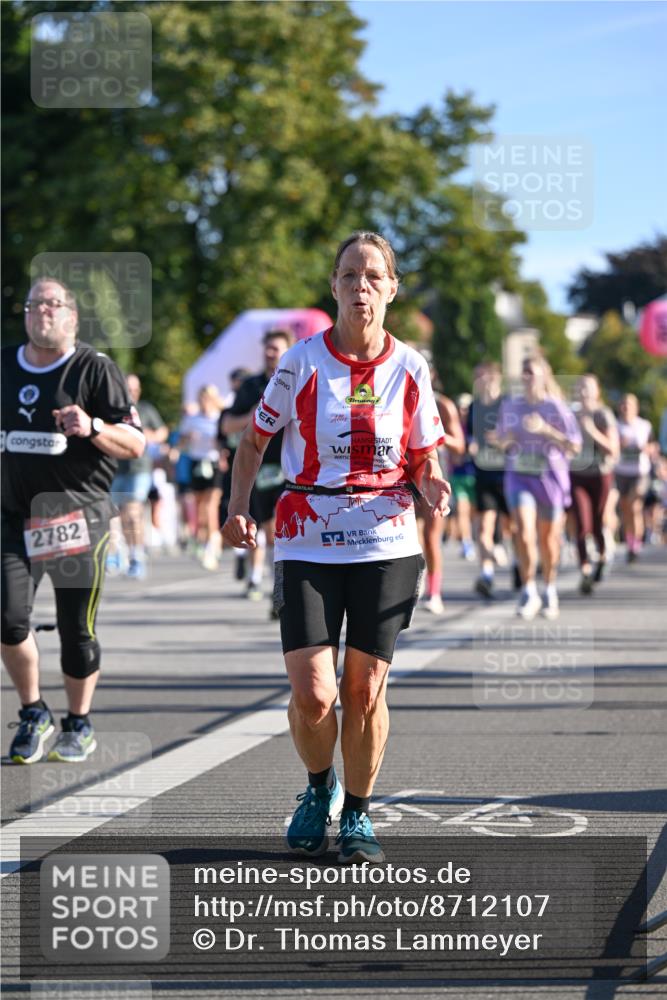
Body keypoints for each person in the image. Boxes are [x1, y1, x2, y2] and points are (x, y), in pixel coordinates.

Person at [223, 232, 450, 863]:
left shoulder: (410, 367)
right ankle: (317, 787)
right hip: (308, 535)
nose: (361, 287)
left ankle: (357, 813)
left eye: (374, 276)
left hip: (386, 535)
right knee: (315, 693)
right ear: (334, 285)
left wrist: (434, 485)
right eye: (349, 275)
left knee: (364, 688)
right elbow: (252, 444)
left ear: (392, 288)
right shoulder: (300, 361)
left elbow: (425, 456)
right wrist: (237, 508)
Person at [1, 277, 144, 763]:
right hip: (13, 518)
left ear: (72, 318)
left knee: (74, 630)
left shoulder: (95, 368)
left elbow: (137, 443)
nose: (43, 310)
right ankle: (33, 710)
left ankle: (78, 722)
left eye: (53, 303)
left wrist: (93, 426)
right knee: (8, 618)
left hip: (75, 520)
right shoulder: (4, 364)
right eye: (34, 303)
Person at [496, 355, 581, 620]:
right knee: (523, 530)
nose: (526, 377)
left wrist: (546, 430)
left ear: (544, 376)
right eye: (524, 372)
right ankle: (528, 589)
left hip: (551, 479)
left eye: (531, 372)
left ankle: (550, 588)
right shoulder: (511, 405)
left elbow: (575, 446)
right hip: (519, 476)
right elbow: (500, 440)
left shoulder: (556, 407)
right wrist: (506, 439)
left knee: (548, 540)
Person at [220, 330, 293, 603]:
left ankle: (278, 584)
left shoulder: (298, 381)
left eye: (276, 349)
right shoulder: (250, 386)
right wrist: (256, 417)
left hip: (289, 466)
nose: (270, 353)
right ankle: (254, 577)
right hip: (257, 465)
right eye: (268, 349)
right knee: (256, 525)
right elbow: (227, 424)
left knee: (277, 526)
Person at [411, 348, 464, 615]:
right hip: (407, 477)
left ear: (431, 373)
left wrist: (433, 436)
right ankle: (414, 586)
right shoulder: (400, 398)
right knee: (411, 538)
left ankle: (434, 592)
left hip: (434, 478)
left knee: (431, 537)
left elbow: (460, 446)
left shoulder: (443, 405)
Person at [108, 374, 167, 579]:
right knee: (116, 515)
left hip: (139, 468)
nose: (132, 392)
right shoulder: (112, 409)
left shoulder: (146, 409)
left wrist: (149, 435)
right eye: (128, 388)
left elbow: (162, 431)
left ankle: (137, 556)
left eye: (135, 388)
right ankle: (118, 553)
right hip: (116, 468)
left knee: (133, 512)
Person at [468, 362, 514, 599]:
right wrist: (472, 444)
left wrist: (501, 440)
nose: (483, 382)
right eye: (480, 379)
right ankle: (486, 575)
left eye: (488, 378)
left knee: (514, 527)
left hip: (508, 475)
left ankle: (517, 563)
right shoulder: (475, 407)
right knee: (484, 528)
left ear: (497, 379)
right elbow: (470, 433)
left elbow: (517, 437)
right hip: (483, 474)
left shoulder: (508, 404)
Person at [570, 374, 619, 592]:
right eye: (579, 387)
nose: (583, 392)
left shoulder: (602, 414)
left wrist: (591, 431)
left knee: (598, 523)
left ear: (596, 391)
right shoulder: (571, 414)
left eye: (587, 388)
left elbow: (613, 450)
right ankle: (585, 571)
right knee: (582, 523)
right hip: (577, 474)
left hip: (600, 474)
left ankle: (602, 557)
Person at [178, 385, 224, 570]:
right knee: (198, 506)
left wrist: (220, 447)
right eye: (201, 398)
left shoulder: (218, 418)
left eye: (207, 398)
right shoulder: (192, 419)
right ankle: (203, 539)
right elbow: (180, 442)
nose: (204, 402)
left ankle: (212, 544)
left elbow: (225, 440)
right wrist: (188, 438)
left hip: (213, 463)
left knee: (210, 504)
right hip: (197, 462)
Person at [615, 394, 653, 562]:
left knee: (635, 505)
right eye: (623, 403)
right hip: (621, 472)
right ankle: (631, 543)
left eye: (629, 404)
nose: (626, 407)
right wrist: (619, 444)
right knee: (626, 510)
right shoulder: (615, 425)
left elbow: (654, 446)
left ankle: (636, 544)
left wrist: (646, 448)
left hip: (640, 473)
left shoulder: (644, 425)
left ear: (636, 407)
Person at [449, 393, 477, 562]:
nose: (462, 411)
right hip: (458, 474)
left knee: (473, 513)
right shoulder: (454, 427)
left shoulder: (476, 427)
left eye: (466, 408)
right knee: (461, 509)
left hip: (474, 474)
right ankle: (467, 543)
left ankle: (472, 538)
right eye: (459, 407)